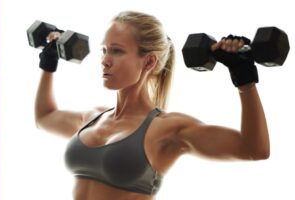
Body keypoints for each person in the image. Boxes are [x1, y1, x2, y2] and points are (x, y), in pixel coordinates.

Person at [35, 11, 270, 200]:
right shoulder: (92, 118)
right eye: (104, 50)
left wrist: (244, 78)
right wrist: (48, 63)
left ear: (148, 61)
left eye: (117, 51)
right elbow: (45, 117)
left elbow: (254, 149)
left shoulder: (167, 129)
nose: (105, 60)